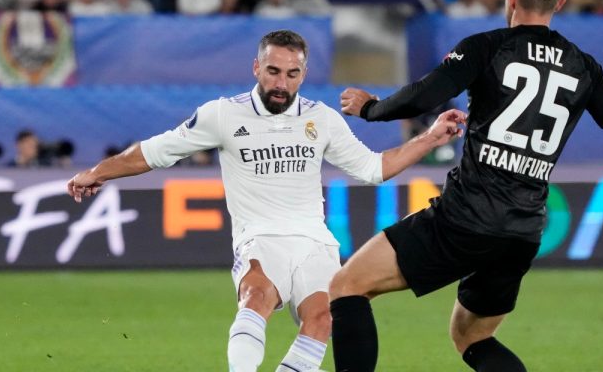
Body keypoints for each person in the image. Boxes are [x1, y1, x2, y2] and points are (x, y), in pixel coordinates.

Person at [330, 0, 603, 372]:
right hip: (522, 232)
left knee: (347, 286)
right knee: (472, 336)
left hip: (465, 218)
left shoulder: (487, 48)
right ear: (560, 2)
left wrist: (371, 107)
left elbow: (424, 95)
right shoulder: (584, 67)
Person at [66, 30, 465, 372]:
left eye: (292, 74)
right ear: (256, 68)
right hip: (259, 238)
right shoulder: (223, 115)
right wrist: (96, 173)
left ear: (304, 75)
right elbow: (152, 153)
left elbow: (374, 168)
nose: (281, 82)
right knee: (255, 297)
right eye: (273, 71)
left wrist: (430, 138)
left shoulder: (321, 119)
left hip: (314, 242)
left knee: (323, 318)